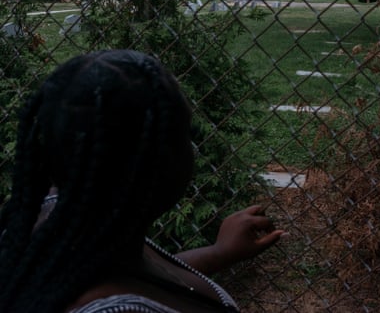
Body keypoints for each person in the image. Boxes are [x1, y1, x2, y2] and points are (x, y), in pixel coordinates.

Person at [0, 50, 285, 313]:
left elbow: (127, 278)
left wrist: (218, 253)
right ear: (159, 165)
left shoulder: (63, 221)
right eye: (184, 136)